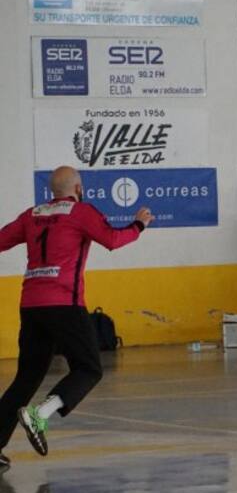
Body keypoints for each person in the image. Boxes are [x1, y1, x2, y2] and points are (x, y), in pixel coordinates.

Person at [0, 165, 153, 471]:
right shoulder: (82, 212)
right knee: (89, 368)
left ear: (51, 191)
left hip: (31, 305)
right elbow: (113, 239)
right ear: (79, 189)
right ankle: (40, 415)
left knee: (26, 378)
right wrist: (138, 225)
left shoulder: (32, 214)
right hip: (64, 304)